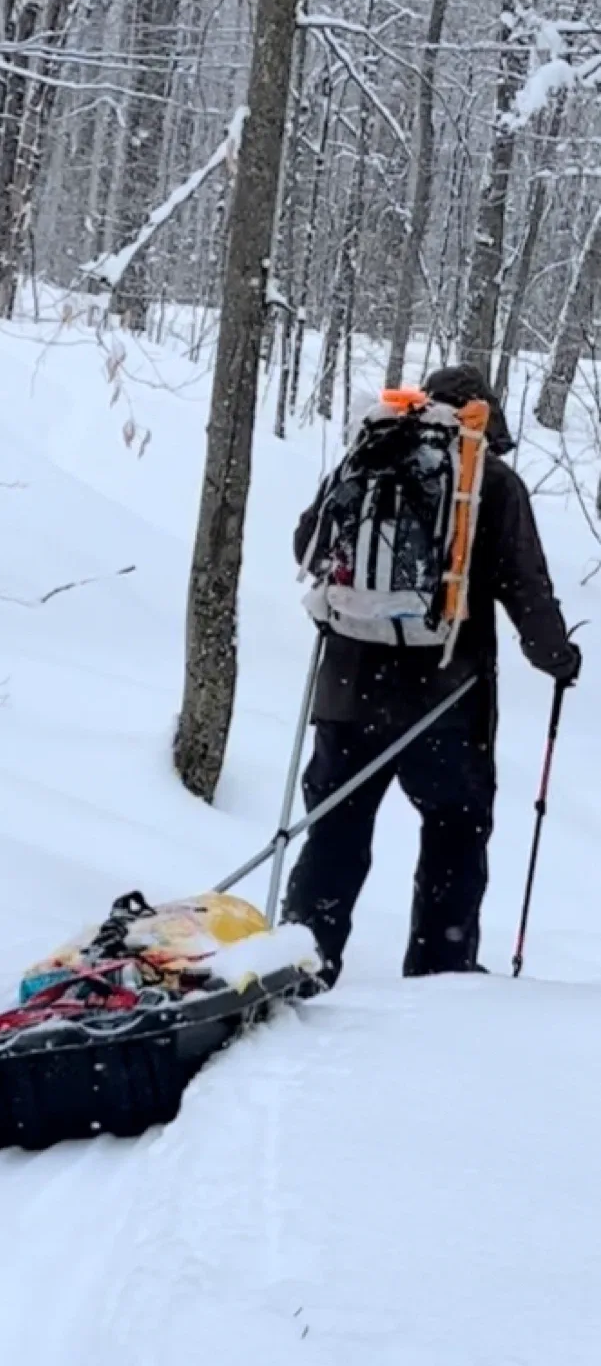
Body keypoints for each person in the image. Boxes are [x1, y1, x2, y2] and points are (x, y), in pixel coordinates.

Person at [281, 364, 581, 985]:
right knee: (455, 834)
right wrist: (558, 659)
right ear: (482, 417)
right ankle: (440, 975)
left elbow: (307, 543)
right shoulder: (488, 482)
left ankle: (301, 964)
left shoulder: (370, 455)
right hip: (446, 700)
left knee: (335, 832)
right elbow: (525, 587)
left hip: (347, 693)